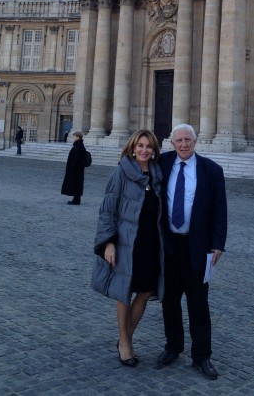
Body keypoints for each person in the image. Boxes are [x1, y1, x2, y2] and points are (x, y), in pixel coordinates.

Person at [157, 124, 227, 380]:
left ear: (195, 142)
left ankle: (202, 355)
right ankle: (173, 347)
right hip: (169, 245)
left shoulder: (211, 170)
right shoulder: (162, 164)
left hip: (197, 246)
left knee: (199, 303)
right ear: (172, 143)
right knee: (170, 301)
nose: (183, 144)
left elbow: (220, 210)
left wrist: (218, 243)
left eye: (188, 140)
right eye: (179, 140)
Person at [90, 129, 164, 368]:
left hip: (150, 242)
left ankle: (124, 338)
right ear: (133, 148)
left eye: (149, 146)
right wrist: (108, 242)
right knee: (125, 291)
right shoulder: (120, 173)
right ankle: (125, 343)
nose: (144, 150)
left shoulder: (157, 175)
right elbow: (107, 211)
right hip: (126, 242)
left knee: (143, 292)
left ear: (154, 151)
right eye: (140, 145)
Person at [61, 131, 87, 205]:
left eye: (74, 136)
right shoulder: (78, 145)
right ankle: (76, 199)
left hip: (76, 170)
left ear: (78, 137)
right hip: (76, 169)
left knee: (76, 184)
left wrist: (72, 167)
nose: (73, 137)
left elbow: (78, 159)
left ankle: (76, 200)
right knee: (76, 184)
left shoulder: (79, 146)